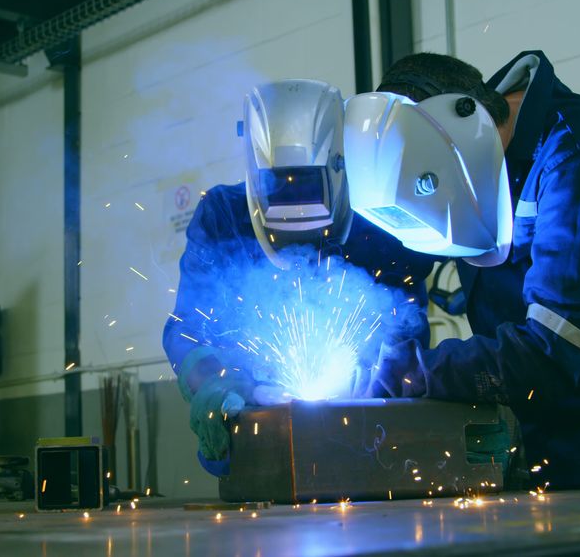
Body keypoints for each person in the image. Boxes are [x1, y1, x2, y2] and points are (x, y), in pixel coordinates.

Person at [345, 51, 580, 489]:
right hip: (547, 439)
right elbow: (391, 260)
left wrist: (394, 374)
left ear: (460, 126)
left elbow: (548, 355)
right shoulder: (469, 160)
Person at [161, 79, 434, 476]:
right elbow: (185, 329)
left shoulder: (376, 222)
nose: (294, 201)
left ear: (340, 163)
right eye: (277, 186)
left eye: (308, 184)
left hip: (366, 444)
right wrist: (216, 384)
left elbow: (408, 325)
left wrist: (366, 379)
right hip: (255, 437)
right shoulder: (223, 214)